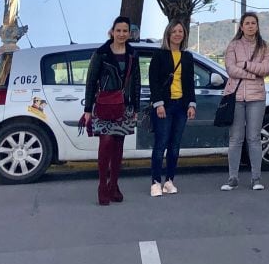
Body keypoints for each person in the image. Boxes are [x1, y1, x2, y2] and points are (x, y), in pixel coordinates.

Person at [80, 15, 140, 206]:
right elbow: (90, 81)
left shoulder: (133, 54)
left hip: (124, 106)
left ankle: (114, 184)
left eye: (125, 31)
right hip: (104, 105)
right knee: (105, 144)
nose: (121, 34)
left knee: (118, 146)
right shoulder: (102, 53)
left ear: (129, 33)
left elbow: (136, 82)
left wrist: (136, 107)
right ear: (112, 32)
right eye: (118, 30)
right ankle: (102, 186)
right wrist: (88, 109)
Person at [220, 12, 269, 191]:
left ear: (257, 26)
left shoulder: (265, 47)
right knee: (235, 139)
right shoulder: (233, 45)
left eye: (253, 23)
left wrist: (245, 65)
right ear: (241, 26)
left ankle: (256, 178)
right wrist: (253, 74)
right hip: (236, 97)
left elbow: (267, 68)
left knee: (254, 138)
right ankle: (232, 178)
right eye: (247, 23)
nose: (250, 26)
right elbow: (230, 69)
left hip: (257, 97)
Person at [147, 19, 197, 197]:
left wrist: (192, 104)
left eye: (181, 32)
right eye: (174, 31)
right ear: (168, 34)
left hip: (181, 106)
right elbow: (154, 81)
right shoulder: (159, 55)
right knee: (160, 145)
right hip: (164, 106)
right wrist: (158, 103)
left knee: (175, 146)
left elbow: (190, 82)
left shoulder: (187, 57)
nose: (177, 34)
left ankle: (169, 181)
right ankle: (155, 182)